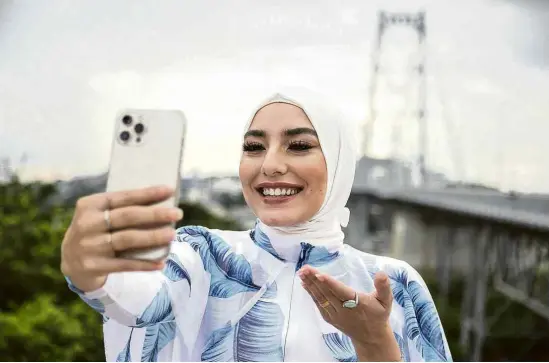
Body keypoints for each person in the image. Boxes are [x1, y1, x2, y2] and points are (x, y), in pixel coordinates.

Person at [61, 88, 452, 362]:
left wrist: (376, 344)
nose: (270, 164)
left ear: (339, 161)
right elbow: (137, 297)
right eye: (253, 146)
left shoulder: (397, 284)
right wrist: (91, 270)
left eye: (299, 146)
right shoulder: (202, 255)